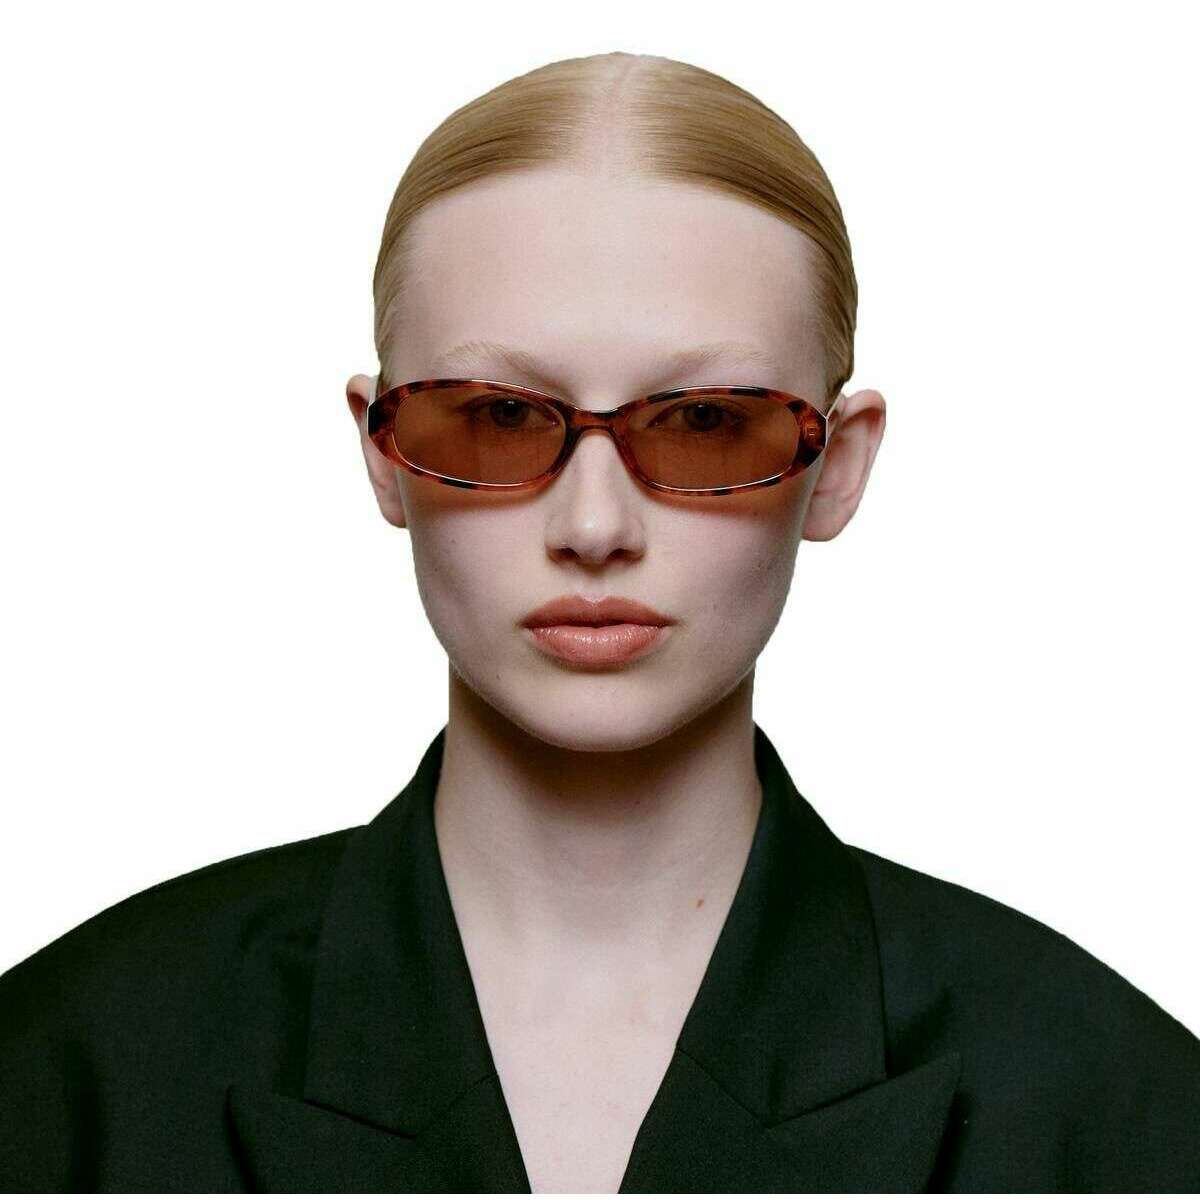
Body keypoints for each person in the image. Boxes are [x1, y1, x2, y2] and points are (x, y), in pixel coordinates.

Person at [1, 49, 1197, 1194]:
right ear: (381, 451)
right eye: (496, 416)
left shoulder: (1121, 1111)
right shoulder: (59, 1073)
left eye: (707, 421)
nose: (593, 525)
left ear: (839, 466)